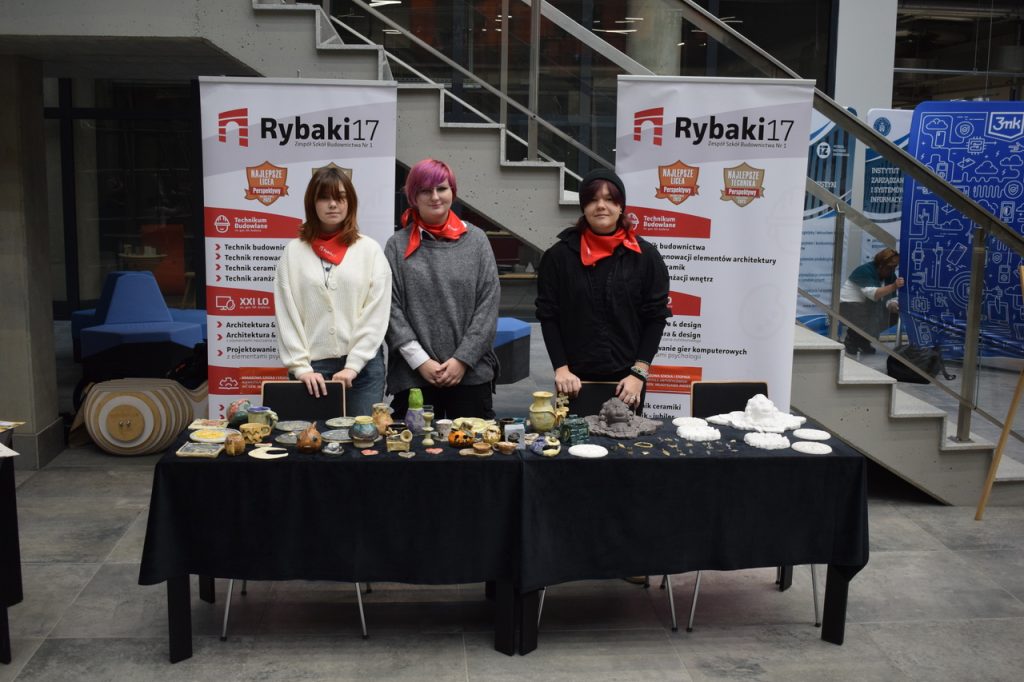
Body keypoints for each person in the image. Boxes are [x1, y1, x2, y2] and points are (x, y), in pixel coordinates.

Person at [535, 168, 671, 415]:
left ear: (621, 206)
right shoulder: (558, 257)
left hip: (627, 382)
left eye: (609, 199)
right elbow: (548, 316)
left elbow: (656, 318)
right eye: (593, 199)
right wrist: (561, 369)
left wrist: (639, 374)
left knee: (626, 439)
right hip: (574, 381)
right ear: (583, 207)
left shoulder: (645, 256)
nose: (601, 206)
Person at [384, 158, 500, 420]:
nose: (435, 197)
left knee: (472, 445)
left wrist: (462, 360)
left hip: (471, 374)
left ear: (453, 192)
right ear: (413, 197)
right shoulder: (396, 245)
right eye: (425, 191)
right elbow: (391, 310)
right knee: (415, 446)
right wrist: (421, 361)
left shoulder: (477, 240)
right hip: (414, 376)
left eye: (442, 189)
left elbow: (488, 306)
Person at [273, 166, 392, 416]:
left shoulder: (369, 250)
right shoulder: (293, 252)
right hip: (312, 371)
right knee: (310, 438)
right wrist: (300, 368)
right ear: (312, 203)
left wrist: (354, 364)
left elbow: (376, 312)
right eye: (324, 197)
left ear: (351, 203)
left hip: (363, 370)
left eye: (340, 197)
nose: (333, 204)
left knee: (363, 437)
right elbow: (286, 314)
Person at [839, 247, 904, 355]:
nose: (893, 269)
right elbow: (873, 294)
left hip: (868, 306)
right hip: (847, 305)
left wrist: (892, 304)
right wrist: (894, 286)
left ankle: (864, 340)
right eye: (890, 266)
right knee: (865, 313)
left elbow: (890, 297)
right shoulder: (865, 270)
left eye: (895, 266)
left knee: (893, 315)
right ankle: (852, 340)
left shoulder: (890, 275)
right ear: (881, 264)